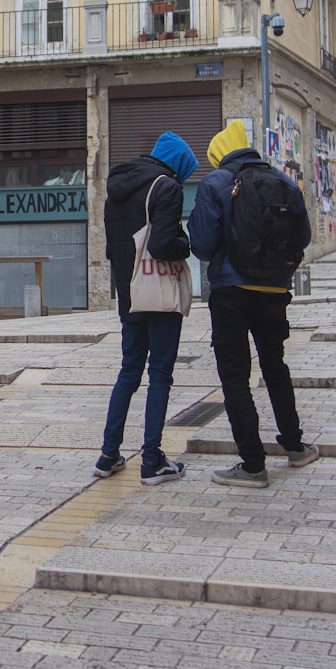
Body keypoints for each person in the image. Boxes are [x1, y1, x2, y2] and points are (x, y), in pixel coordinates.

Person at [187, 120, 317, 488]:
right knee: (274, 365)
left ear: (218, 154)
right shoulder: (285, 182)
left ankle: (252, 464)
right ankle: (295, 446)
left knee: (235, 376)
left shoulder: (215, 183)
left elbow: (203, 244)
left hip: (231, 290)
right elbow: (304, 235)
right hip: (275, 290)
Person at [95, 131, 198, 486]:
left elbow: (111, 247)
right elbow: (163, 243)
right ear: (178, 164)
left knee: (129, 371)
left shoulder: (118, 186)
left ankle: (108, 454)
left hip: (129, 293)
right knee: (160, 375)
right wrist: (186, 243)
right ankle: (152, 460)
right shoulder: (166, 187)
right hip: (158, 294)